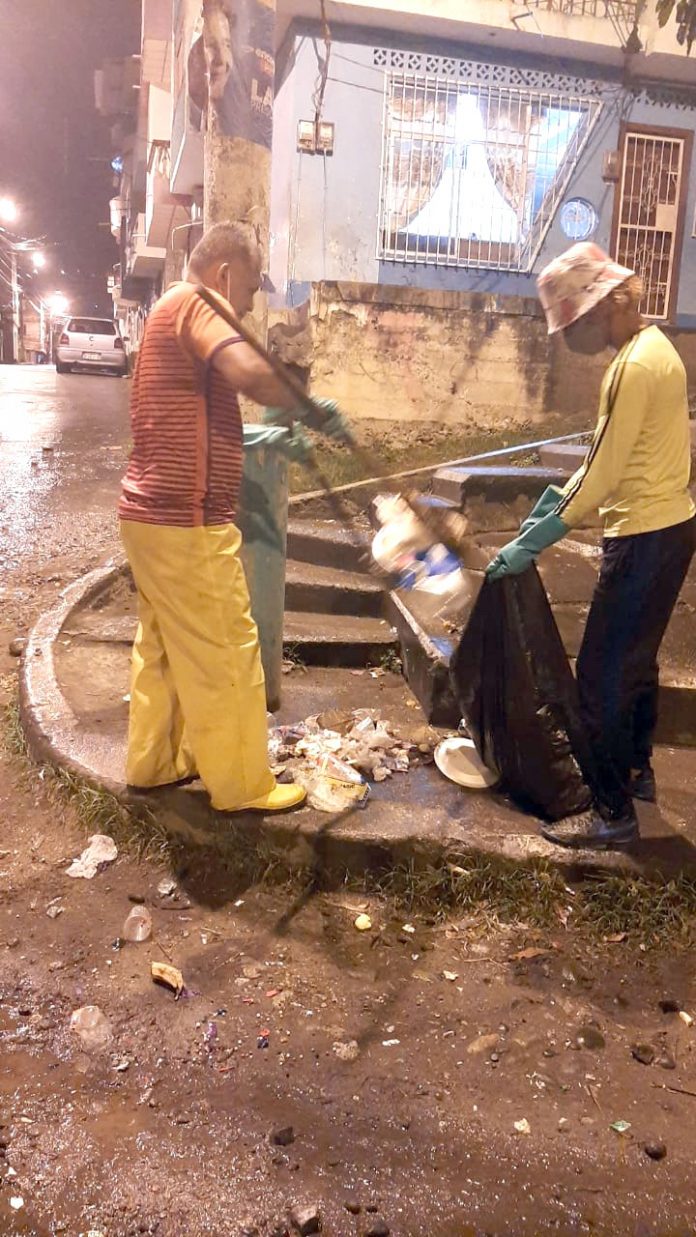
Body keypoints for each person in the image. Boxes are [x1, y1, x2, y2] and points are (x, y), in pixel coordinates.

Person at [119, 221, 347, 814]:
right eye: (249, 289)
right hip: (186, 525)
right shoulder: (197, 302)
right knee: (227, 648)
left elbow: (191, 422)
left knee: (165, 648)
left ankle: (156, 761)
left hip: (147, 517)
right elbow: (248, 372)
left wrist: (268, 435)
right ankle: (244, 785)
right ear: (225, 273)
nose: (248, 304)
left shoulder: (165, 313)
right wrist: (306, 407)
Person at [487, 241, 696, 850]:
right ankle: (636, 773)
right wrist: (557, 496)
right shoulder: (653, 349)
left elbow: (603, 475)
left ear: (602, 306)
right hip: (669, 527)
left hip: (643, 538)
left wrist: (542, 537)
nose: (569, 338)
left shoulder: (633, 366)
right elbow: (608, 457)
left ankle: (611, 813)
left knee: (601, 678)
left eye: (572, 324)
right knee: (636, 664)